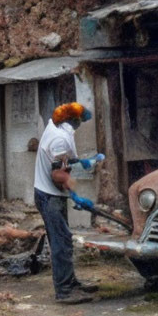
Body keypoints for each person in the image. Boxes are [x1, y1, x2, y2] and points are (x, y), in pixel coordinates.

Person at [33, 102, 103, 304]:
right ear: (73, 121)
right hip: (49, 196)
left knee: (64, 239)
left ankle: (71, 283)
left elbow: (62, 161)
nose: (80, 124)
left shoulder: (54, 126)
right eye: (80, 121)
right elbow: (57, 174)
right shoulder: (59, 138)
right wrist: (75, 194)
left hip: (48, 194)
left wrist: (83, 161)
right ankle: (64, 291)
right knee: (61, 242)